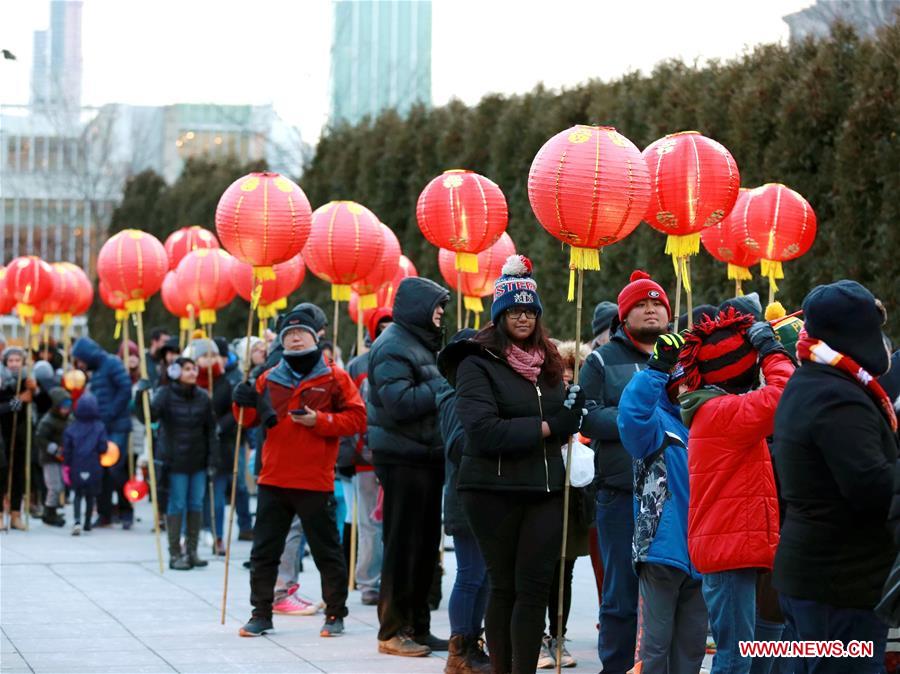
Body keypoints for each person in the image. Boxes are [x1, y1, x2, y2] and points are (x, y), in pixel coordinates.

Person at [438, 254, 585, 674]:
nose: (523, 317)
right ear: (499, 314)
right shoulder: (476, 363)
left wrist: (572, 416)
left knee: (534, 588)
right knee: (503, 587)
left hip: (544, 490)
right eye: (514, 310)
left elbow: (561, 419)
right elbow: (483, 431)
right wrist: (546, 426)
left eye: (530, 311)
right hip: (493, 491)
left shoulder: (550, 362)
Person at [774, 281, 897, 673]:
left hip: (821, 580)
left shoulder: (817, 380)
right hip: (838, 586)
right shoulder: (835, 395)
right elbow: (870, 485)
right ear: (855, 333)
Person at [233, 306, 366, 638]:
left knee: (326, 551)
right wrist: (240, 401)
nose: (294, 338)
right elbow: (245, 421)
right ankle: (260, 613)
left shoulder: (335, 377)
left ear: (315, 337)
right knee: (264, 552)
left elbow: (357, 419)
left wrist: (320, 422)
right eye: (288, 334)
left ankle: (335, 614)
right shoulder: (267, 377)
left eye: (301, 332)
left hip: (315, 480)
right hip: (273, 479)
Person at [678, 308, 794, 674]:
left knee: (749, 654)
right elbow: (785, 393)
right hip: (730, 552)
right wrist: (772, 350)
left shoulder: (718, 408)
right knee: (734, 659)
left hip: (738, 547)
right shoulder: (724, 412)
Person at [581, 270, 671, 674]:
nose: (651, 309)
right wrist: (638, 419)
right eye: (641, 304)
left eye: (657, 303)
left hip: (672, 496)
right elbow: (587, 418)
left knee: (670, 590)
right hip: (619, 493)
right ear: (623, 315)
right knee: (619, 592)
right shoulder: (601, 360)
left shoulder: (682, 358)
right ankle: (615, 667)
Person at [367, 276, 452, 657]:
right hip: (402, 458)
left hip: (427, 457)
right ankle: (393, 630)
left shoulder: (421, 344)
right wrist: (444, 385)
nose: (440, 314)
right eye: (436, 306)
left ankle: (418, 625)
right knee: (403, 546)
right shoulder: (392, 346)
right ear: (419, 307)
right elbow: (399, 403)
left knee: (424, 546)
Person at [618, 334, 707, 674]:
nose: (688, 392)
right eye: (681, 384)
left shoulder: (707, 425)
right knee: (654, 652)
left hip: (702, 555)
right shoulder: (655, 424)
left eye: (694, 384)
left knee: (691, 651)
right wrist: (657, 369)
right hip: (661, 550)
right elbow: (631, 416)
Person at [437, 328, 491, 674]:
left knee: (484, 576)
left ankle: (473, 642)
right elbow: (459, 446)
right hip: (464, 495)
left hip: (481, 495)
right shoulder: (455, 397)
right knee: (471, 575)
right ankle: (459, 650)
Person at [538, 340, 593, 670]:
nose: (568, 379)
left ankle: (558, 635)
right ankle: (539, 638)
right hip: (544, 489)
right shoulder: (541, 398)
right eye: (563, 373)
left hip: (574, 493)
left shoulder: (584, 399)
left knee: (566, 568)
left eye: (573, 373)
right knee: (543, 568)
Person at [136, 356, 218, 570]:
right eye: (187, 369)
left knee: (196, 504)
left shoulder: (203, 397)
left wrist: (212, 458)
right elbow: (148, 416)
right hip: (175, 461)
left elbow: (211, 430)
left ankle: (192, 551)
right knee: (177, 504)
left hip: (198, 460)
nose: (192, 373)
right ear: (176, 372)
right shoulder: (164, 394)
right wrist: (140, 395)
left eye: (194, 369)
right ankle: (175, 553)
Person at [342, 307, 393, 606]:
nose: (386, 331)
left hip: (399, 454)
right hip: (366, 456)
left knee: (395, 521)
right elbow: (351, 411)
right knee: (369, 522)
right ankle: (368, 580)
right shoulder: (357, 366)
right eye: (381, 326)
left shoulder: (408, 358)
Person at [71, 337, 134, 529]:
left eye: (81, 360)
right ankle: (104, 513)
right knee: (101, 471)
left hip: (117, 425)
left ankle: (125, 510)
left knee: (116, 468)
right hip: (102, 426)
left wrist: (111, 412)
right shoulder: (96, 371)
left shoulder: (112, 363)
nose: (80, 365)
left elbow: (125, 388)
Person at [62, 392, 106, 536]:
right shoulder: (99, 427)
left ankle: (76, 521)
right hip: (93, 465)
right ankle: (87, 522)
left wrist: (66, 465)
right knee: (90, 496)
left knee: (78, 494)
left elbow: (67, 449)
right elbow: (103, 447)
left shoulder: (72, 428)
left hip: (76, 464)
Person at [0, 347, 34, 530]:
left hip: (21, 433)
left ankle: (15, 514)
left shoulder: (28, 381)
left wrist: (34, 391)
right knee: (1, 474)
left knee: (18, 474)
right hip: (2, 434)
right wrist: (18, 402)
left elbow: (43, 404)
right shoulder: (2, 381)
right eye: (10, 360)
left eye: (17, 360)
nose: (14, 364)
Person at [36, 387, 72, 528]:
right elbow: (40, 438)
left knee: (60, 485)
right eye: (63, 407)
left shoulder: (68, 419)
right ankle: (49, 513)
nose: (66, 410)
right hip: (49, 458)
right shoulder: (48, 420)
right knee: (54, 486)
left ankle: (52, 509)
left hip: (61, 457)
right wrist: (54, 449)